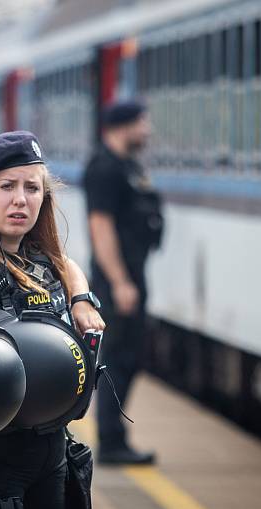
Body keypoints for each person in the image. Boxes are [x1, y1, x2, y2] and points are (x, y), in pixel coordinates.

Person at [0, 131, 104, 509]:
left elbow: (65, 262)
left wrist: (82, 298)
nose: (21, 199)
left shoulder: (43, 264)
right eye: (7, 187)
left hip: (51, 455)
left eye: (32, 188)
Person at [83, 101, 162, 465]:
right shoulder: (104, 169)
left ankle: (116, 437)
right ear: (123, 126)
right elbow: (100, 228)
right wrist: (119, 282)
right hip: (118, 279)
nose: (146, 130)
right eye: (141, 123)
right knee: (118, 358)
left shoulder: (129, 167)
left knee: (132, 357)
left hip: (133, 275)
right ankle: (111, 442)